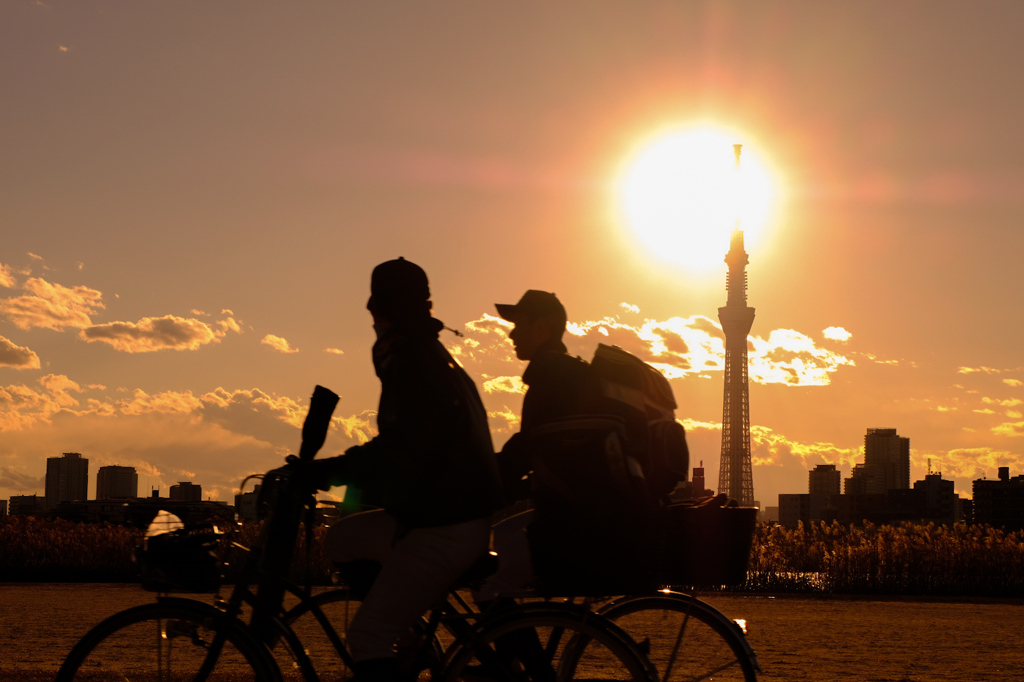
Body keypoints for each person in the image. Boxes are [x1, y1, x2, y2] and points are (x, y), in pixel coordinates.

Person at [306, 257, 501, 682]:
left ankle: (395, 643)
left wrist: (325, 473)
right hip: (445, 515)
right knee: (343, 538)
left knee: (369, 635)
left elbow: (400, 450)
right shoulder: (427, 354)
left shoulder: (414, 364)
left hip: (444, 525)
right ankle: (412, 641)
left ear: (380, 309)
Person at [475, 289, 594, 602]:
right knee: (496, 538)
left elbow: (525, 450)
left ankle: (521, 653)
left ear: (541, 327)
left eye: (519, 324)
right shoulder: (567, 372)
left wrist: (479, 486)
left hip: (567, 517)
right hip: (577, 510)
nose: (512, 333)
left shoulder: (552, 378)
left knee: (490, 585)